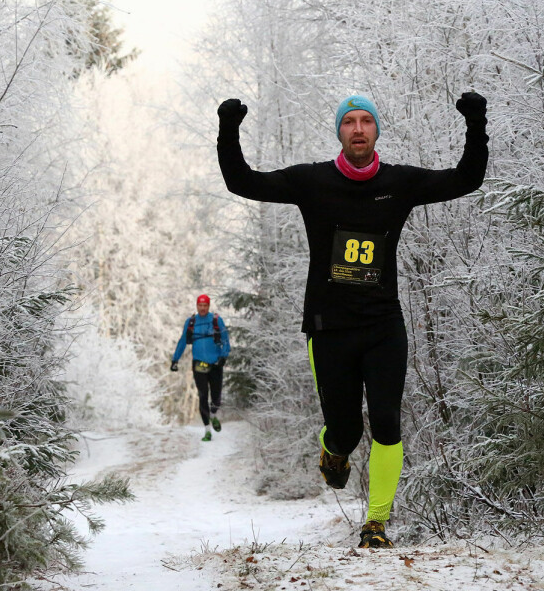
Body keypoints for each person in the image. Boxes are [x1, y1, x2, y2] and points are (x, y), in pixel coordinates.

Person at [217, 91, 488, 548]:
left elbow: (466, 178)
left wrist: (476, 122)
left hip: (383, 325)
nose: (358, 129)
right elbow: (242, 181)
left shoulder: (400, 183)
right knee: (346, 431)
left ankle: (376, 523)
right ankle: (334, 450)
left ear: (377, 130)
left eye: (366, 121)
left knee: (386, 422)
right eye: (349, 122)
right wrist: (229, 127)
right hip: (329, 328)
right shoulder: (311, 182)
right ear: (339, 131)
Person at [171, 294, 231, 441]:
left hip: (215, 363)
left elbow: (225, 340)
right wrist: (175, 360)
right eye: (200, 305)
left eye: (205, 306)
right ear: (197, 306)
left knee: (216, 396)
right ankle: (207, 430)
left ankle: (214, 414)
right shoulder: (191, 322)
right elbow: (183, 341)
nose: (202, 308)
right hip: (198, 364)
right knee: (203, 395)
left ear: (208, 306)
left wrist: (223, 356)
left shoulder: (216, 320)